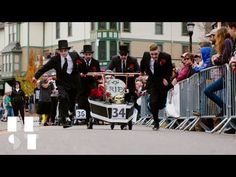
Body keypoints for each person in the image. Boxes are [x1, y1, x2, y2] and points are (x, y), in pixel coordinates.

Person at [33, 40, 85, 128]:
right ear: (59, 51)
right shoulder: (55, 59)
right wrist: (36, 76)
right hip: (62, 82)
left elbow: (82, 63)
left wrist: (84, 71)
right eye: (62, 51)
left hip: (73, 82)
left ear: (68, 50)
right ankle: (64, 118)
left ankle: (70, 112)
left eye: (65, 50)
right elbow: (45, 67)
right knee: (62, 97)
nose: (64, 53)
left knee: (72, 102)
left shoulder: (74, 55)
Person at [140, 43, 172, 131]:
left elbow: (169, 69)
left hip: (162, 82)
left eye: (155, 54)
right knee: (153, 102)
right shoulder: (146, 56)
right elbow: (142, 64)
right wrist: (142, 73)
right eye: (152, 54)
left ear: (158, 51)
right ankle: (156, 122)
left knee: (161, 104)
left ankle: (158, 108)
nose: (154, 56)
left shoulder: (166, 57)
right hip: (153, 82)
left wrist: (166, 78)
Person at [107, 44, 140, 130]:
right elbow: (109, 68)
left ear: (127, 54)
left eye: (125, 55)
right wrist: (110, 73)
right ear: (119, 54)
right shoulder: (115, 59)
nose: (123, 57)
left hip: (129, 85)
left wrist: (134, 74)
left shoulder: (133, 60)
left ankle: (125, 122)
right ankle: (118, 121)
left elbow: (138, 71)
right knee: (118, 102)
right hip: (118, 85)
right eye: (121, 55)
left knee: (128, 102)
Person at [77, 44, 101, 129]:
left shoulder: (95, 62)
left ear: (91, 54)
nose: (88, 56)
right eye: (86, 54)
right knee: (82, 103)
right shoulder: (79, 62)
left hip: (91, 86)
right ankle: (86, 118)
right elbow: (76, 72)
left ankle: (89, 119)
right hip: (82, 86)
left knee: (90, 104)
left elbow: (99, 74)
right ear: (84, 54)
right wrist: (80, 74)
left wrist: (96, 76)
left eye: (89, 54)